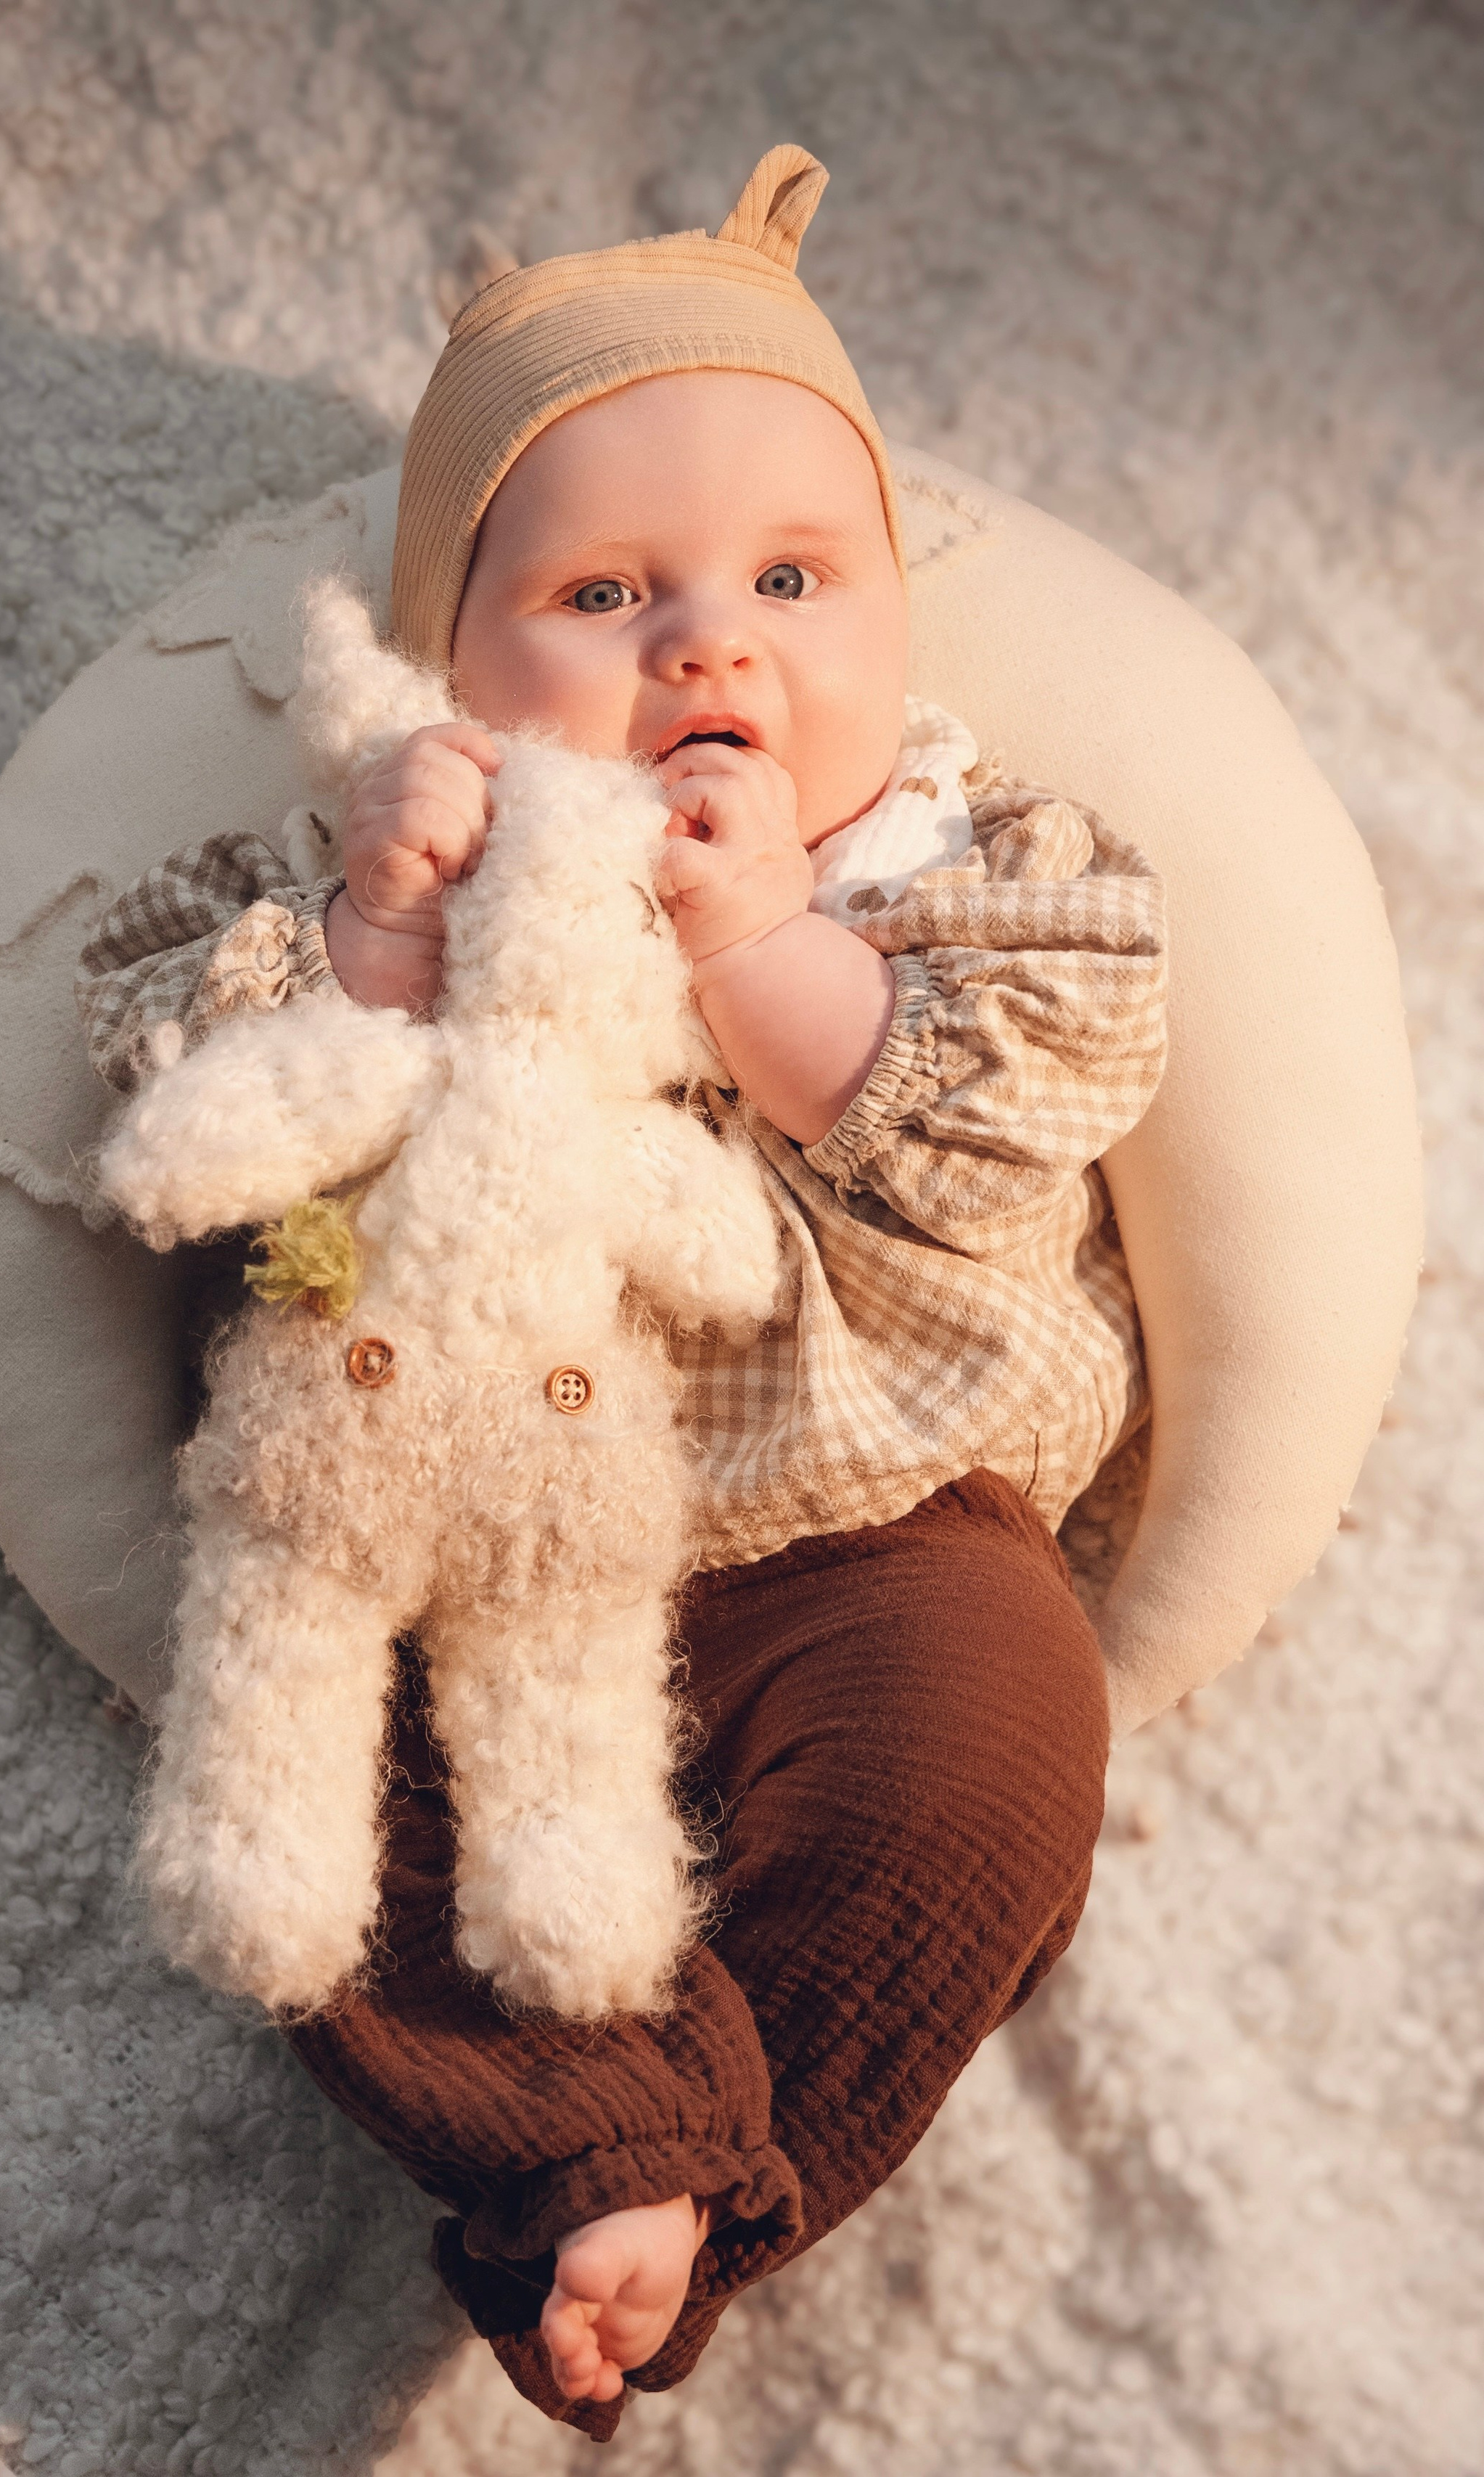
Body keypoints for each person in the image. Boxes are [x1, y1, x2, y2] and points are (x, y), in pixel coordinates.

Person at [75, 147, 1166, 2441]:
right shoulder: (397, 867)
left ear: (896, 621)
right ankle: (617, 2147)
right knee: (300, 1816)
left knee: (993, 1768)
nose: (710, 644)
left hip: (874, 1536)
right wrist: (384, 937)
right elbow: (182, 1109)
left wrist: (763, 943)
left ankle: (678, 2148)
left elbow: (996, 1136)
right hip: (446, 1525)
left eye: (792, 575)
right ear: (453, 672)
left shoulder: (956, 878)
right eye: (602, 591)